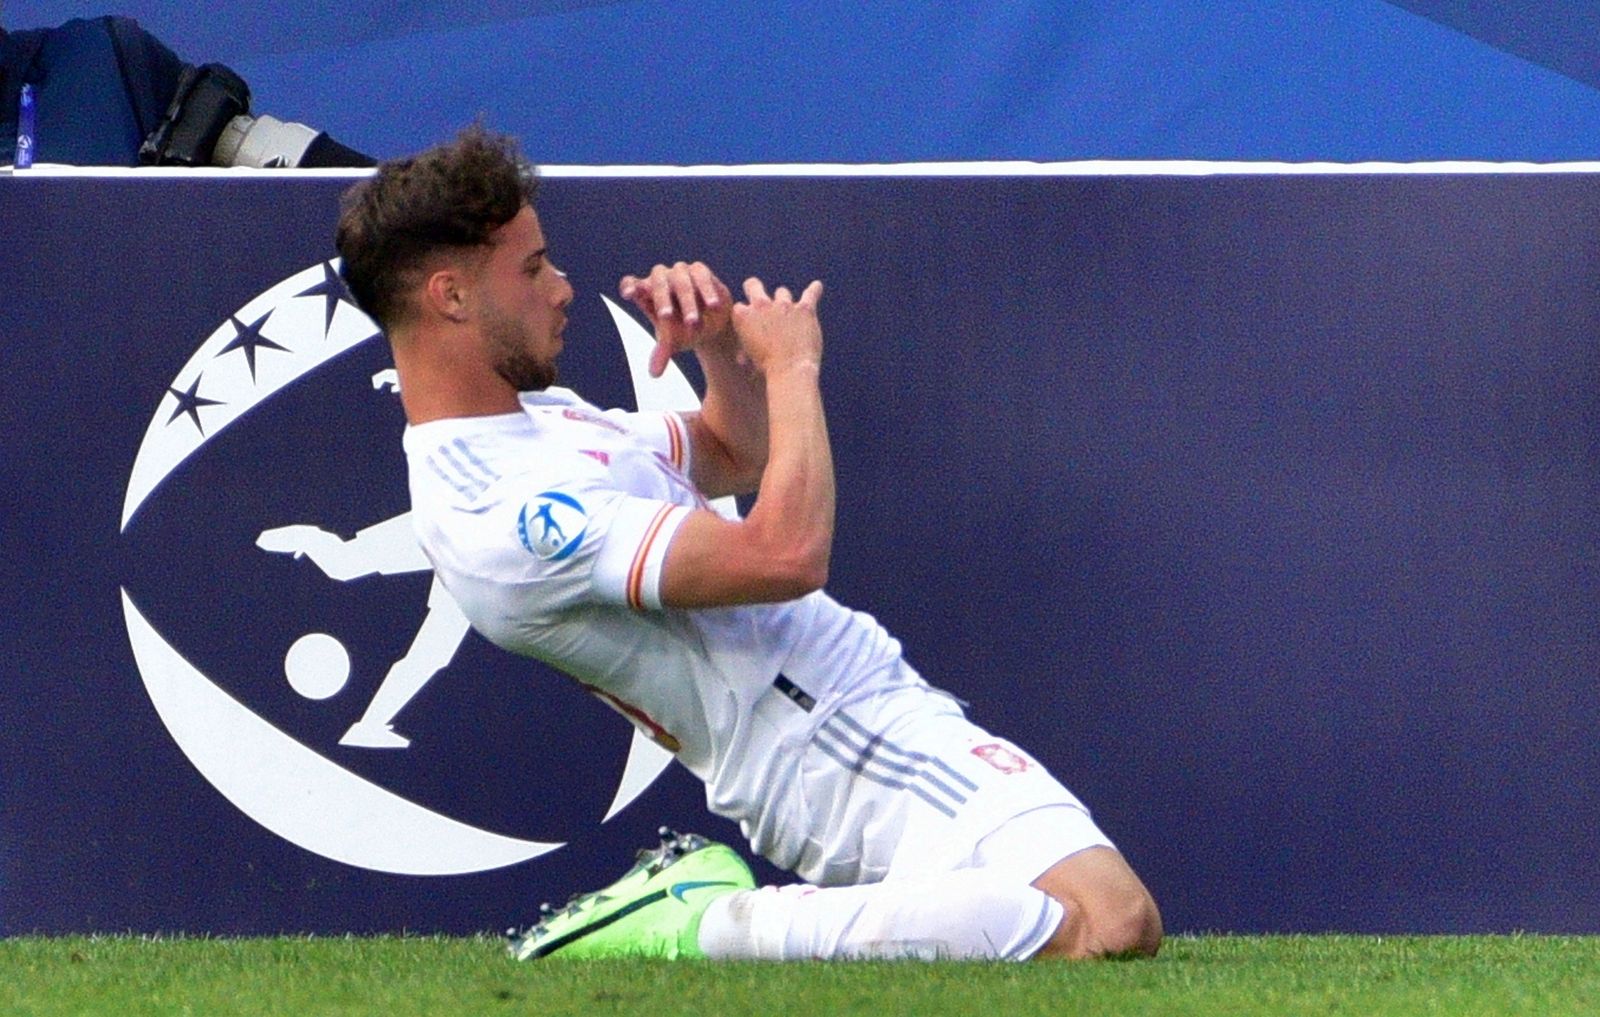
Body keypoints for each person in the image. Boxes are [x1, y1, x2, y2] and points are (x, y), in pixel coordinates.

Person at [334, 125, 1163, 962]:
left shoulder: (536, 421)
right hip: (815, 738)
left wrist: (720, 348)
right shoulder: (498, 508)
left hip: (844, 700)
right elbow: (784, 555)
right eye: (533, 267)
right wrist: (791, 367)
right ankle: (704, 925)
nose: (562, 287)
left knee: (1094, 922)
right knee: (1110, 923)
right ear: (451, 296)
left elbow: (737, 452)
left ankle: (710, 916)